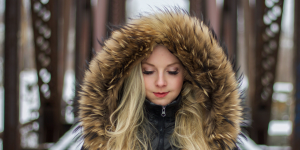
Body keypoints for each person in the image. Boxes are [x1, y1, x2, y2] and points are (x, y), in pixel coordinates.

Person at [76, 8, 242, 150]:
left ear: (186, 74)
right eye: (148, 72)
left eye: (172, 72)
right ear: (134, 75)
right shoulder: (109, 132)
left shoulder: (212, 132)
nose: (160, 82)